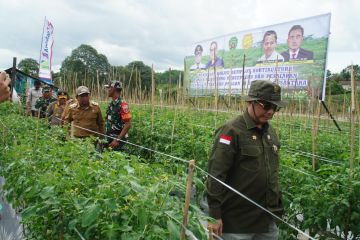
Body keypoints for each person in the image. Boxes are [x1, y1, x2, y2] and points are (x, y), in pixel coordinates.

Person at [207, 80, 285, 240]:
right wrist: (215, 215)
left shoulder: (270, 131)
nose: (271, 112)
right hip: (237, 223)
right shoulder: (231, 130)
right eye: (266, 106)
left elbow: (272, 172)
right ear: (251, 102)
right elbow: (216, 174)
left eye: (275, 107)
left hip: (266, 220)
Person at [104, 81, 132, 151]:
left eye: (109, 88)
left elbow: (128, 124)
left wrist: (117, 140)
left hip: (118, 141)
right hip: (110, 138)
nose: (107, 90)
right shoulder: (111, 104)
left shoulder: (123, 104)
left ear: (113, 89)